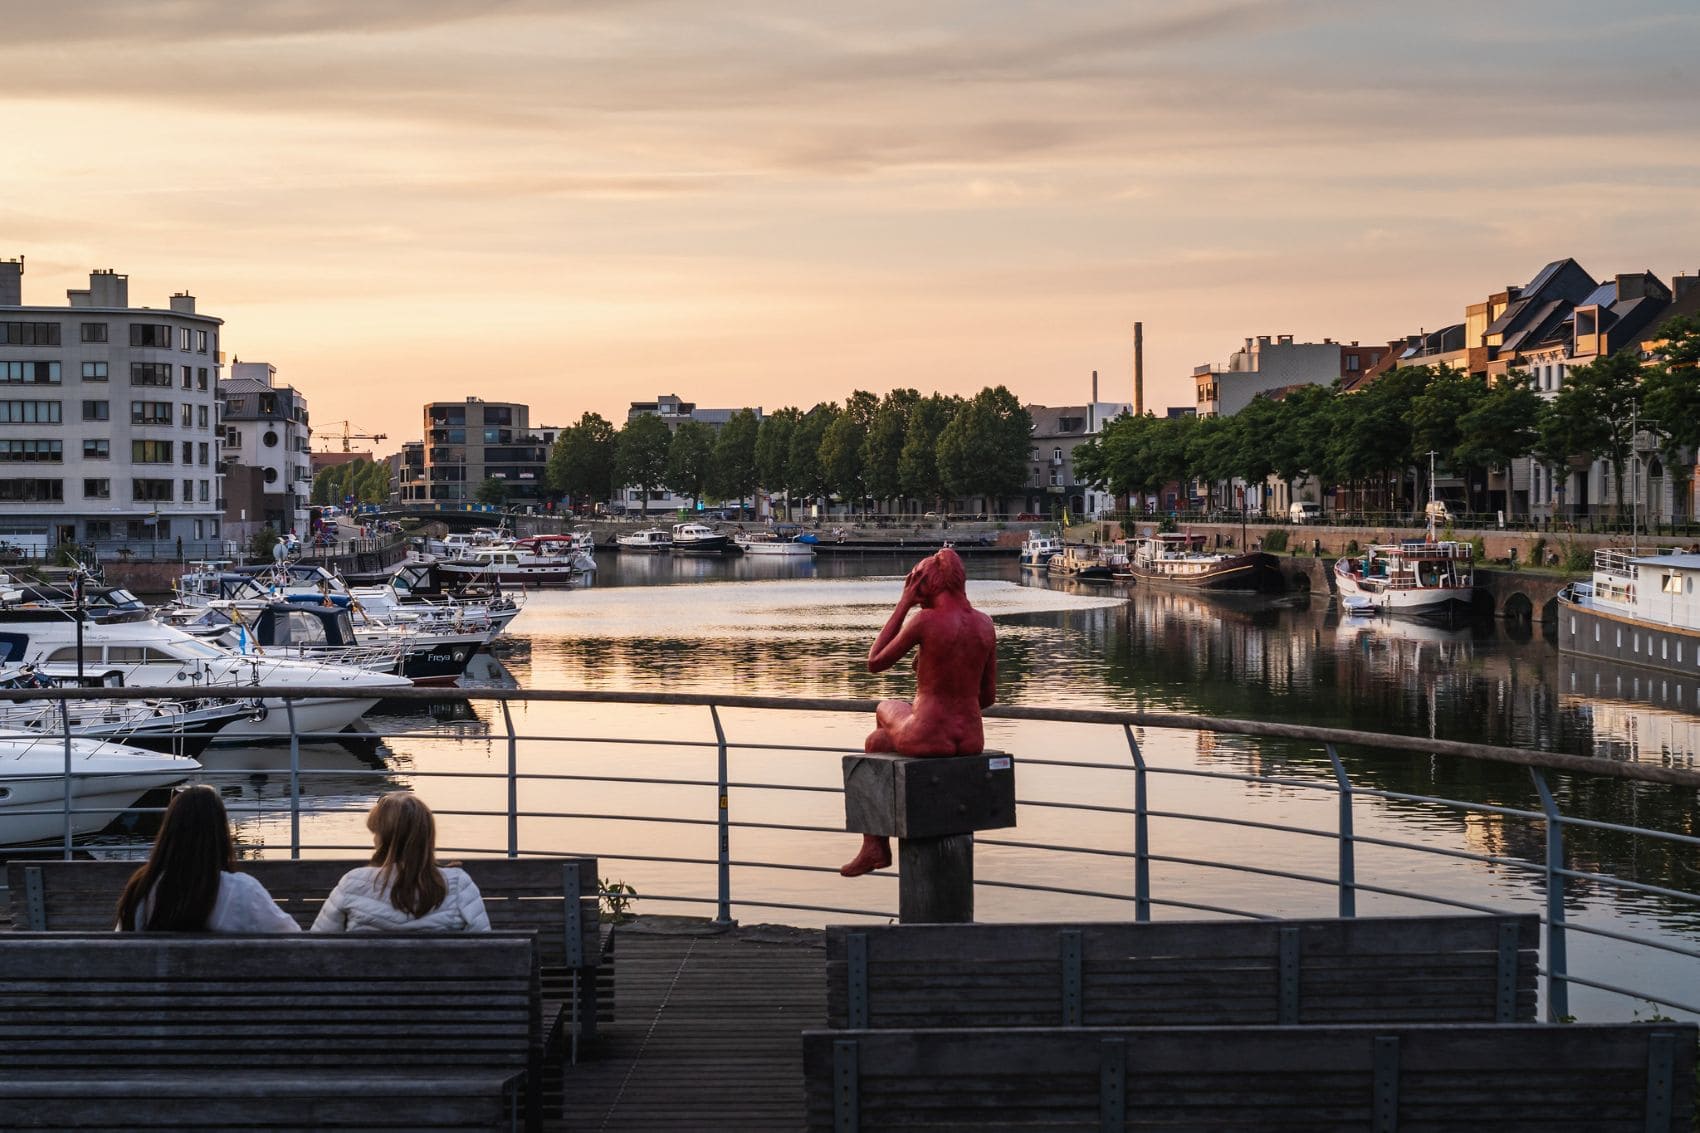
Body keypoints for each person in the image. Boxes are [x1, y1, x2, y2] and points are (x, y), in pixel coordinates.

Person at [841, 547, 997, 877]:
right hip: (970, 739)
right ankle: (874, 847)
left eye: (916, 581)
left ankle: (874, 845)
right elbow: (987, 696)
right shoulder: (984, 624)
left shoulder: (925, 620)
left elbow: (875, 662)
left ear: (926, 585)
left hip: (925, 736)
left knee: (884, 708)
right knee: (878, 742)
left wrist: (904, 603)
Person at [115, 785, 300, 933]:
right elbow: (292, 938)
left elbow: (120, 952)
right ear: (220, 833)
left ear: (168, 833)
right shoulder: (242, 891)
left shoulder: (142, 889)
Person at [312, 792, 490, 932]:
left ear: (383, 839)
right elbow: (485, 949)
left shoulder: (352, 883)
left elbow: (316, 945)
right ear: (427, 837)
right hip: (440, 977)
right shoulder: (458, 885)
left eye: (376, 832)